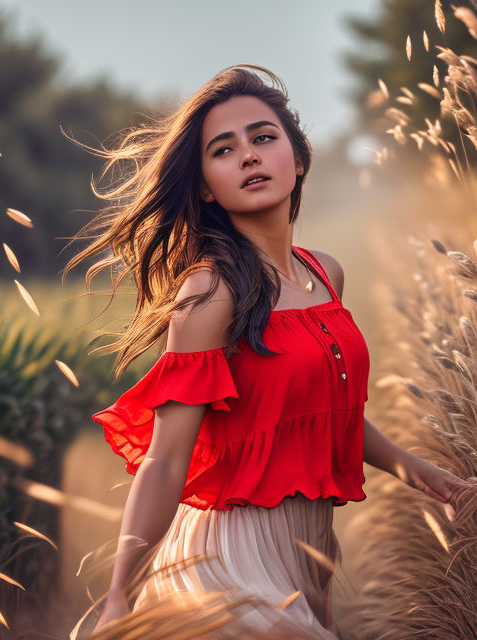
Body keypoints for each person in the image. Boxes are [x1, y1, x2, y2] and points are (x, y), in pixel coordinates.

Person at [64, 64, 474, 639]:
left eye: (263, 138)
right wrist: (118, 599)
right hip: (226, 561)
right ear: (206, 185)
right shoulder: (208, 294)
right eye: (224, 150)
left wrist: (428, 476)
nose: (249, 156)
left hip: (306, 559)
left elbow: (323, 417)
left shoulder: (324, 274)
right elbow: (164, 460)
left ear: (297, 158)